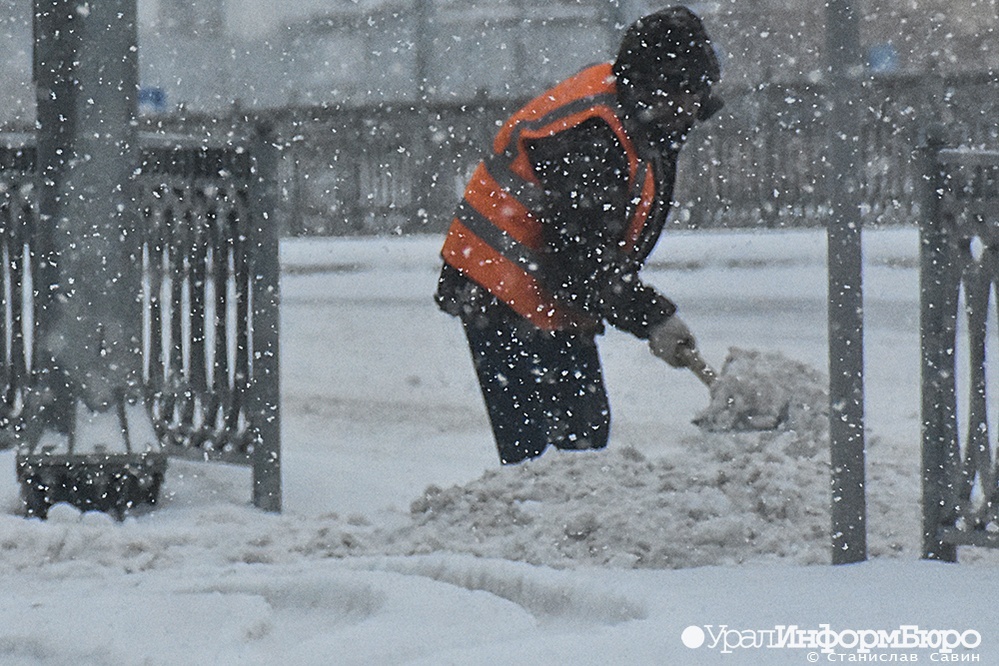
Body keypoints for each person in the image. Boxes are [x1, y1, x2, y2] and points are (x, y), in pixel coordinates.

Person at [434, 6, 723, 464]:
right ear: (644, 85)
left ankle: (557, 523)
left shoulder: (645, 122)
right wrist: (652, 317)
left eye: (694, 93)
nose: (687, 108)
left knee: (581, 440)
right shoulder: (592, 138)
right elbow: (578, 263)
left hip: (545, 290)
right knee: (547, 457)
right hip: (498, 290)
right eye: (676, 93)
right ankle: (531, 527)